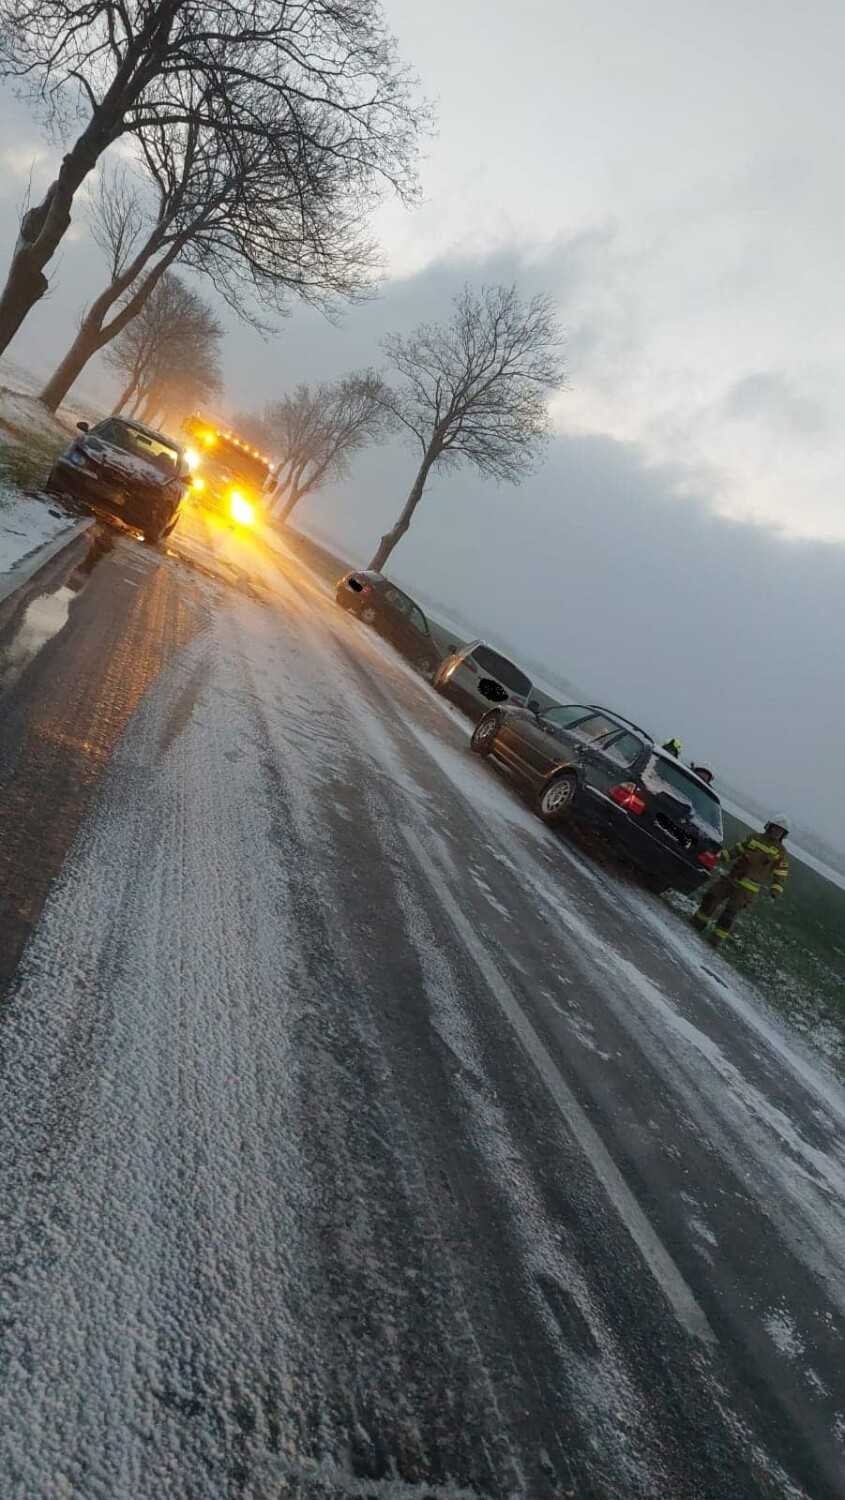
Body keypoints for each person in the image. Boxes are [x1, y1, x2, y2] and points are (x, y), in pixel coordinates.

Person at [692, 815, 790, 945]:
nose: (777, 832)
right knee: (711, 897)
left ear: (784, 834)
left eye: (781, 830)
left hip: (747, 890)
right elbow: (734, 851)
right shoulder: (753, 837)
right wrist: (716, 857)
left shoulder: (781, 852)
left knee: (729, 915)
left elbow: (781, 873)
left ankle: (715, 940)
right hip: (732, 877)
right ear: (770, 826)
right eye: (776, 828)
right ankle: (697, 923)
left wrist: (776, 890)